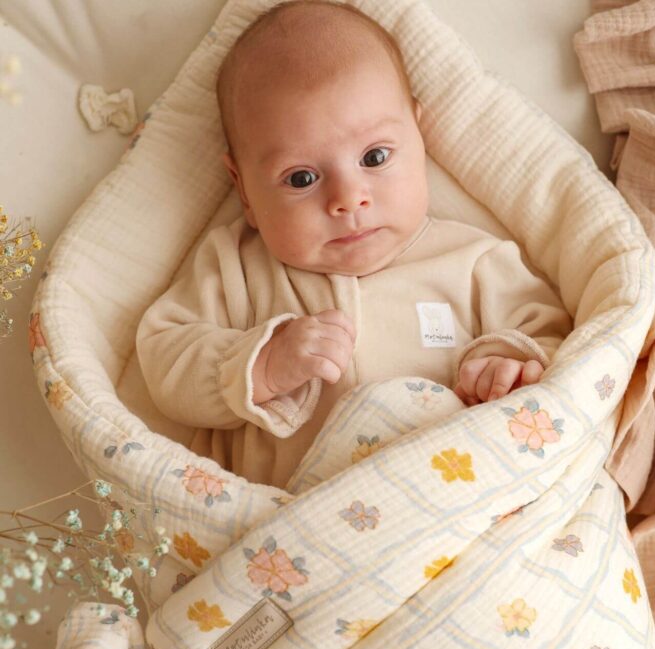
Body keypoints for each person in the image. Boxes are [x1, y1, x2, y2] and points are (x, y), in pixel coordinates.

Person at [135, 0, 572, 489]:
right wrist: (260, 365)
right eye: (301, 178)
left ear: (419, 136)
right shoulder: (236, 266)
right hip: (293, 521)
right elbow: (165, 358)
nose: (348, 198)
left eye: (375, 156)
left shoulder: (472, 260)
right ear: (244, 191)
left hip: (456, 503)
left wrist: (503, 365)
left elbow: (557, 346)